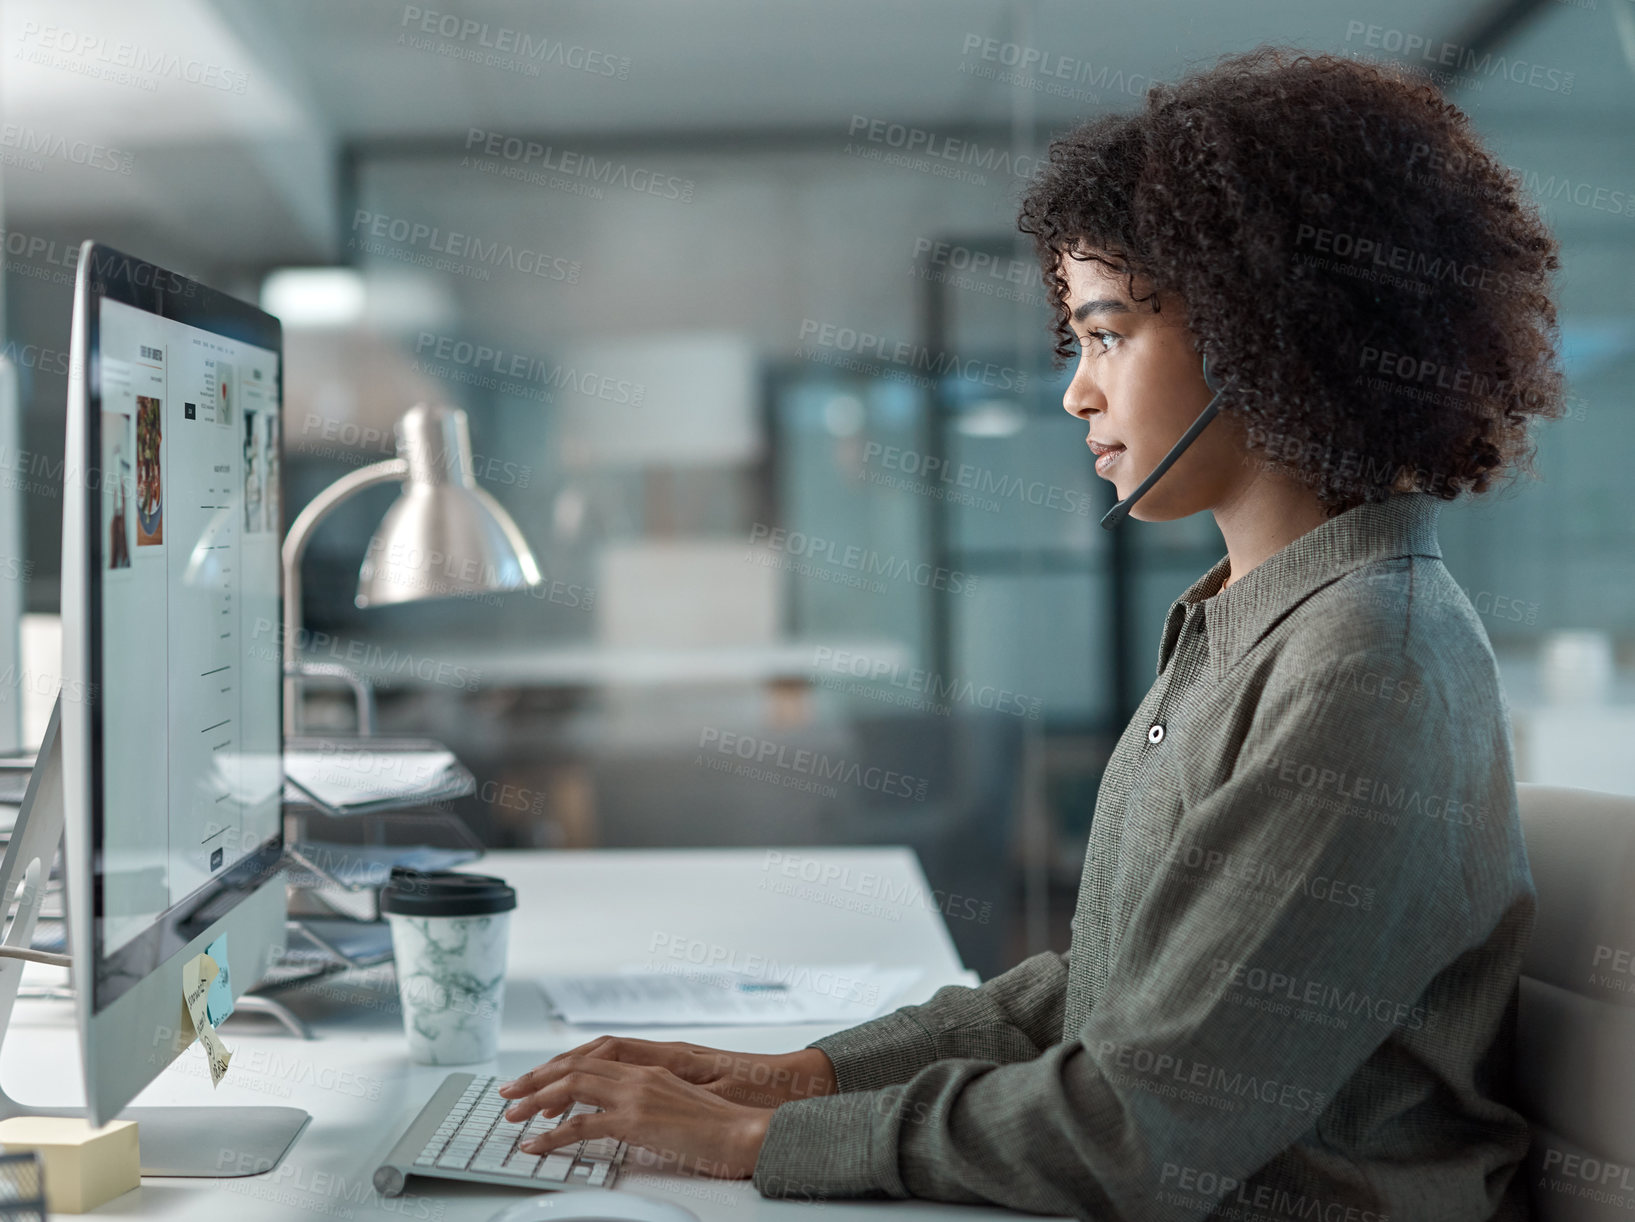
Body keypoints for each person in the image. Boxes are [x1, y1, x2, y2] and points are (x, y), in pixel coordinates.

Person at [497, 47, 1563, 1220]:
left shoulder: (1366, 664)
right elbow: (1114, 996)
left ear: (1266, 334)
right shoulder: (1259, 620)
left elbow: (1132, 1128)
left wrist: (762, 1137)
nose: (1077, 392)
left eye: (1107, 334)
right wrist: (789, 1075)